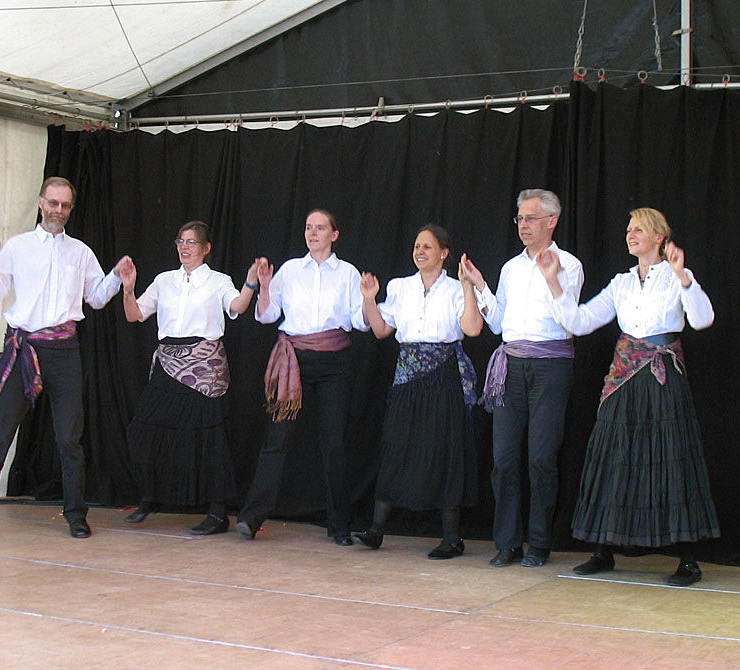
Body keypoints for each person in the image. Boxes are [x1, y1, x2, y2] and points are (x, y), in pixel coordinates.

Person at [537, 207, 719, 586]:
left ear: (659, 237)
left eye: (639, 229)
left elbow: (702, 320)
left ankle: (688, 559)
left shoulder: (675, 277)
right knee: (615, 457)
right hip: (623, 379)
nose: (630, 234)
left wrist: (684, 277)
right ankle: (603, 550)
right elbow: (580, 321)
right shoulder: (621, 283)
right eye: (628, 229)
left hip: (662, 378)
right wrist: (553, 282)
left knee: (670, 459)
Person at [0, 176, 130, 539]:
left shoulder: (80, 252)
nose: (58, 211)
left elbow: (96, 298)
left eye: (65, 205)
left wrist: (117, 277)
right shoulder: (18, 247)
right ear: (41, 203)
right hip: (23, 348)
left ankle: (76, 515)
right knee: (0, 435)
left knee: (69, 438)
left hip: (64, 351)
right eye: (53, 203)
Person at [461, 188, 583, 567]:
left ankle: (540, 543)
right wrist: (480, 285)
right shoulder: (511, 268)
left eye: (531, 218)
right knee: (503, 458)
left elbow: (569, 320)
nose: (523, 225)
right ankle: (508, 542)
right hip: (511, 365)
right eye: (520, 218)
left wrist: (551, 278)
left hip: (550, 365)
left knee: (542, 457)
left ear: (552, 221)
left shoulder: (569, 264)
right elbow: (498, 323)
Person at [117, 221, 261, 535]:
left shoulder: (219, 281)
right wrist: (128, 289)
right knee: (147, 430)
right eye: (180, 241)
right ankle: (150, 497)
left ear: (206, 248)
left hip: (204, 366)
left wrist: (250, 283)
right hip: (168, 362)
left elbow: (237, 306)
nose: (184, 247)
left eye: (191, 242)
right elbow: (134, 314)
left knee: (208, 440)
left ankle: (218, 513)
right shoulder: (164, 280)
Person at [236, 209, 370, 546]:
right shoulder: (290, 270)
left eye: (320, 228)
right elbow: (267, 316)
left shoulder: (348, 273)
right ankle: (252, 517)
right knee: (277, 438)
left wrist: (369, 300)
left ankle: (339, 526)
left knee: (334, 444)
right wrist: (265, 287)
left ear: (334, 235)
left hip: (334, 361)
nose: (312, 233)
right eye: (309, 227)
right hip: (294, 359)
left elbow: (359, 321)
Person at [351, 225, 483, 559]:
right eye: (416, 246)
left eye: (427, 246)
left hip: (443, 376)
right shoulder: (400, 287)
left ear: (444, 253)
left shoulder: (455, 289)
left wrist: (468, 287)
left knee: (443, 450)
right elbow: (381, 329)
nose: (420, 251)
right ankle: (376, 530)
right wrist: (369, 299)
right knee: (397, 447)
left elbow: (472, 328)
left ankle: (451, 538)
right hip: (407, 376)